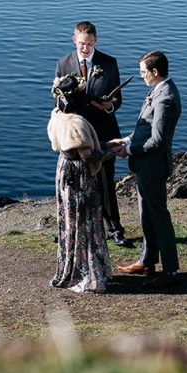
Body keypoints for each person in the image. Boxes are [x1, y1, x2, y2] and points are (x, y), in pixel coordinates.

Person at [109, 50, 182, 290]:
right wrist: (125, 140)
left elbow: (158, 141)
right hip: (145, 166)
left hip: (153, 167)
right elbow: (145, 128)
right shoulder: (158, 89)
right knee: (146, 216)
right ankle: (147, 261)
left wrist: (129, 150)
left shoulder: (165, 98)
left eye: (143, 72)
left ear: (155, 71)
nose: (141, 76)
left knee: (159, 218)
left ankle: (170, 271)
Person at [54, 21, 130, 247]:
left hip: (103, 130)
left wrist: (108, 105)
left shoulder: (109, 63)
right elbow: (57, 99)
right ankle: (70, 229)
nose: (85, 48)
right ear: (74, 40)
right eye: (81, 44)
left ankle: (114, 229)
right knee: (74, 185)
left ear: (96, 41)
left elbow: (118, 100)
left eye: (89, 44)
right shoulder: (64, 63)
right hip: (75, 134)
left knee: (106, 182)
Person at [47, 75, 112, 293]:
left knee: (69, 219)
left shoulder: (57, 116)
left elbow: (75, 148)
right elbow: (89, 156)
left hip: (64, 170)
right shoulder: (77, 123)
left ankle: (69, 268)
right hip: (79, 176)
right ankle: (87, 273)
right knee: (86, 220)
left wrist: (105, 144)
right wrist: (114, 150)